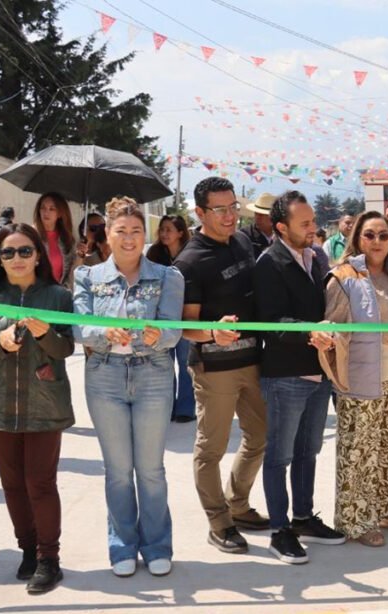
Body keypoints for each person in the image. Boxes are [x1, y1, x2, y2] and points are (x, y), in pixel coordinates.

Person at [73, 198, 185, 577]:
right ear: (108, 234)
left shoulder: (168, 277)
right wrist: (103, 331)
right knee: (118, 470)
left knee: (150, 469)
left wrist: (158, 335)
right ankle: (122, 546)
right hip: (104, 377)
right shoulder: (87, 277)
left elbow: (173, 330)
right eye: (121, 231)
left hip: (153, 376)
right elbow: (79, 327)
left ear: (145, 234)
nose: (129, 238)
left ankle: (156, 545)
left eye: (136, 231)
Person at [0, 223, 75, 594]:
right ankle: (27, 550)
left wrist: (45, 334)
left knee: (39, 483)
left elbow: (66, 349)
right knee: (12, 485)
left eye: (25, 250)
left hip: (45, 402)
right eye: (8, 252)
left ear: (38, 255)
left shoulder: (58, 296)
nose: (17, 258)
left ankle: (49, 559)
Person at [173, 177, 269, 554]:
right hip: (214, 369)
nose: (230, 216)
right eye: (220, 210)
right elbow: (185, 327)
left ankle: (238, 504)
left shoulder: (242, 241)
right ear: (200, 212)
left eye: (233, 208)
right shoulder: (190, 261)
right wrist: (212, 332)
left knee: (260, 436)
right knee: (210, 449)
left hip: (253, 360)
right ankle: (219, 521)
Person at [320, 210, 388, 547]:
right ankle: (356, 522)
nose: (377, 241)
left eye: (383, 235)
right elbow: (334, 329)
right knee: (359, 450)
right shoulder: (343, 276)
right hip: (361, 376)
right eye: (370, 235)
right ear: (357, 239)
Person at [252, 191, 344, 564]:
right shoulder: (268, 264)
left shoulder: (316, 258)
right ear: (281, 227)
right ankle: (280, 530)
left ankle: (304, 518)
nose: (312, 228)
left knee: (309, 450)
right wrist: (310, 331)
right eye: (304, 223)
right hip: (285, 375)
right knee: (280, 455)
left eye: (313, 221)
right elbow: (271, 321)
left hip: (318, 371)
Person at [146, 215, 196, 422]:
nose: (164, 233)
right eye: (162, 229)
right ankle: (167, 408)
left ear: (180, 232)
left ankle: (185, 408)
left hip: (185, 316)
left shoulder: (191, 254)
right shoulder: (153, 254)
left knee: (185, 363)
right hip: (161, 318)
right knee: (164, 364)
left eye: (169, 229)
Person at [33, 193, 76, 287]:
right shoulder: (31, 235)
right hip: (34, 292)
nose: (46, 212)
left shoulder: (66, 239)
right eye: (43, 208)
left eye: (52, 209)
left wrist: (80, 256)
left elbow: (70, 273)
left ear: (60, 213)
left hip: (57, 292)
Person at [242, 193, 276, 260]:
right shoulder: (244, 235)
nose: (257, 217)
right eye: (256, 213)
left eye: (261, 215)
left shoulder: (282, 237)